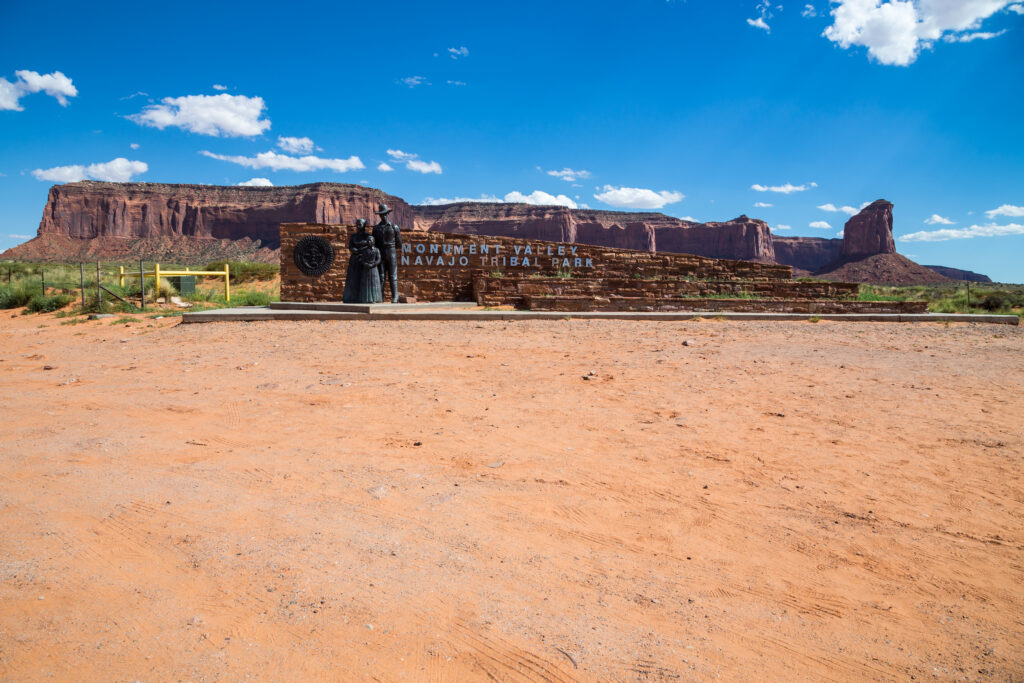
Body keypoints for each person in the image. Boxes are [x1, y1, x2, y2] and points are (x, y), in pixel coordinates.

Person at [342, 219, 382, 303]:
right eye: (357, 224)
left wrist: (363, 252)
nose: (357, 226)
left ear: (364, 225)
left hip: (365, 259)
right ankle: (351, 298)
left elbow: (371, 246)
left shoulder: (368, 236)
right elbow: (350, 246)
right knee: (353, 279)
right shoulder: (354, 236)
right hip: (355, 259)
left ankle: (364, 298)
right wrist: (355, 250)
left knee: (364, 279)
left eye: (359, 224)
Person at [373, 203, 403, 303]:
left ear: (388, 214)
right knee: (381, 276)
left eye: (385, 214)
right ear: (380, 216)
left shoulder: (394, 227)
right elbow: (374, 243)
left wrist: (391, 248)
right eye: (382, 214)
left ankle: (395, 297)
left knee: (393, 276)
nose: (384, 216)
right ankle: (380, 297)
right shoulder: (376, 228)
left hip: (391, 253)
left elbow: (399, 243)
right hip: (380, 253)